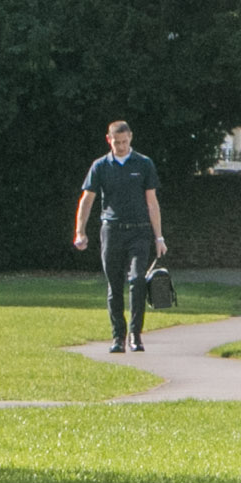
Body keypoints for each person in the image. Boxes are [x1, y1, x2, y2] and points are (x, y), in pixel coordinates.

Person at [72, 121, 166, 352]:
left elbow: (152, 202)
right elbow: (87, 200)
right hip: (112, 230)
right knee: (114, 285)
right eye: (117, 142)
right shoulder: (101, 166)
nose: (121, 146)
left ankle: (136, 335)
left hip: (139, 231)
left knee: (136, 280)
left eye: (125, 142)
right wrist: (80, 231)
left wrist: (159, 237)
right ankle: (118, 337)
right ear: (109, 140)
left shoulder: (143, 164)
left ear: (131, 138)